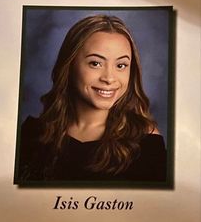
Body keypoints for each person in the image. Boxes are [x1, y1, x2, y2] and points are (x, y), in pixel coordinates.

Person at [15, 15, 167, 184]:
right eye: (95, 63)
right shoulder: (31, 133)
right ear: (69, 65)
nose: (109, 78)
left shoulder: (146, 142)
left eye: (121, 65)